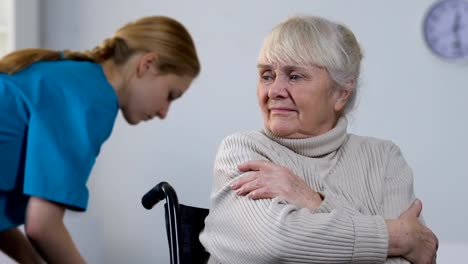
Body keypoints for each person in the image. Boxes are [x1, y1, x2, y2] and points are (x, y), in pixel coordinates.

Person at [199, 15, 438, 264]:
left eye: (295, 76)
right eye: (267, 75)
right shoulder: (242, 151)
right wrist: (398, 237)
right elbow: (276, 242)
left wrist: (313, 201)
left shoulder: (384, 158)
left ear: (341, 94)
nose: (274, 91)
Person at [0, 16, 200, 263]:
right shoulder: (92, 99)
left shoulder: (73, 74)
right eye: (170, 95)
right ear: (147, 64)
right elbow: (43, 226)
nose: (164, 112)